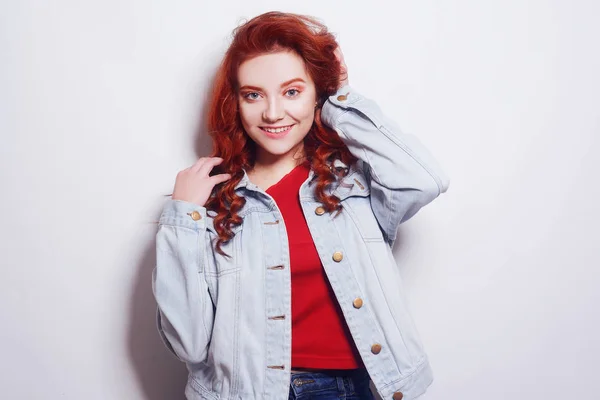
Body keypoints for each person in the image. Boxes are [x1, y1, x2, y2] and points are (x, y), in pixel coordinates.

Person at [152, 11, 449, 400]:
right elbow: (188, 344)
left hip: (348, 390)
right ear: (236, 102)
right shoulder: (211, 201)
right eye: (253, 95)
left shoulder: (350, 186)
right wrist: (182, 218)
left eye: (292, 91)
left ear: (317, 95)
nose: (273, 113)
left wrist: (342, 98)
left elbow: (425, 180)